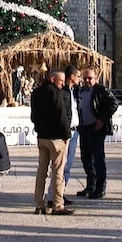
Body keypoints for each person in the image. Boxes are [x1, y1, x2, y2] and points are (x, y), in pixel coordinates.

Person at [31, 70, 72, 215]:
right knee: (58, 172)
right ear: (53, 79)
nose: (62, 84)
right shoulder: (55, 93)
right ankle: (57, 204)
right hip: (56, 138)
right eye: (61, 81)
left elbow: (33, 116)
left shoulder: (36, 92)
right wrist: (67, 135)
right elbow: (62, 116)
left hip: (42, 136)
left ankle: (39, 203)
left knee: (42, 171)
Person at [77, 67, 118, 199]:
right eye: (84, 78)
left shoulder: (101, 91)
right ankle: (91, 186)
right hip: (84, 128)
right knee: (86, 159)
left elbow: (114, 104)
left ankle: (100, 188)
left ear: (96, 78)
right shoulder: (81, 91)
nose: (87, 81)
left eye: (89, 78)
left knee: (98, 160)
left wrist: (102, 119)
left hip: (96, 129)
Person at [46, 65, 81, 208]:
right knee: (61, 165)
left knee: (68, 165)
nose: (80, 79)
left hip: (74, 131)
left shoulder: (75, 91)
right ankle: (54, 195)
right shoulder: (63, 92)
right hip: (65, 132)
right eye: (78, 76)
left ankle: (60, 193)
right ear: (71, 76)